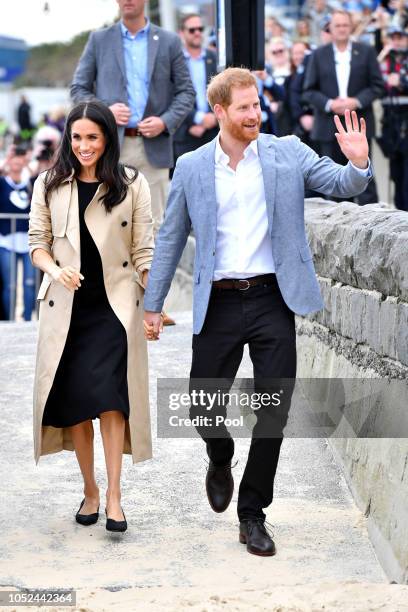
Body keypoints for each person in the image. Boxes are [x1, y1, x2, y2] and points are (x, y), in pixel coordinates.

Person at [143, 68, 373, 556]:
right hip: (219, 301)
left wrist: (357, 164)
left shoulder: (286, 151)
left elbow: (339, 183)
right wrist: (153, 304)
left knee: (273, 412)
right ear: (220, 111)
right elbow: (169, 238)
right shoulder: (191, 166)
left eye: (256, 105)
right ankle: (219, 454)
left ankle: (252, 513)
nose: (255, 114)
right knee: (203, 405)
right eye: (244, 107)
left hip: (272, 298)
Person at [28, 101, 154, 532]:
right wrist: (54, 269)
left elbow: (144, 250)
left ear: (107, 140)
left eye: (93, 137)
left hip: (115, 308)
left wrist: (151, 300)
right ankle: (90, 490)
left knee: (112, 402)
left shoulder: (132, 184)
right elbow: (37, 243)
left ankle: (115, 496)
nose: (84, 146)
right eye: (77, 137)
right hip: (67, 310)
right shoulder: (49, 183)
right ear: (68, 138)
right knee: (80, 404)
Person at [71, 0, 196, 326]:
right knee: (107, 224)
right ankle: (111, 306)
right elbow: (79, 89)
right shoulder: (100, 40)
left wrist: (166, 120)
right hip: (112, 147)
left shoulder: (168, 41)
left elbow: (186, 92)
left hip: (153, 147)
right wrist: (104, 111)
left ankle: (152, 306)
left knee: (154, 228)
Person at [302, 9, 386, 204]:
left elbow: (377, 86)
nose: (341, 29)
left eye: (345, 25)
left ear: (351, 27)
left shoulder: (366, 52)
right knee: (333, 180)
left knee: (365, 177)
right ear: (330, 28)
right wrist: (330, 104)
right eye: (337, 25)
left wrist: (355, 101)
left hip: (358, 124)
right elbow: (308, 90)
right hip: (328, 125)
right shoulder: (318, 55)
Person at [172, 13, 218, 169]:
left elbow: (223, 93)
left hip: (214, 131)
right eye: (192, 30)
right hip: (186, 132)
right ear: (182, 33)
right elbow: (170, 96)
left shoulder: (215, 58)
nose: (197, 33)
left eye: (200, 28)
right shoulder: (173, 61)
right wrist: (196, 119)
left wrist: (211, 119)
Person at [0, 146, 35, 321]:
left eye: (20, 158)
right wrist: (6, 159)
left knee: (29, 284)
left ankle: (27, 318)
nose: (16, 161)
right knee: (10, 285)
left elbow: (43, 176)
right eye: (14, 158)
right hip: (7, 241)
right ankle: (9, 319)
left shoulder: (30, 183)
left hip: (28, 241)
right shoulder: (2, 183)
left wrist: (28, 163)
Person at [377, 26, 408, 210]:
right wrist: (382, 55)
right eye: (393, 37)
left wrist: (402, 82)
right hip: (390, 121)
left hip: (406, 118)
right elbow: (372, 79)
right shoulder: (384, 61)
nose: (396, 41)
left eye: (400, 37)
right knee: (395, 174)